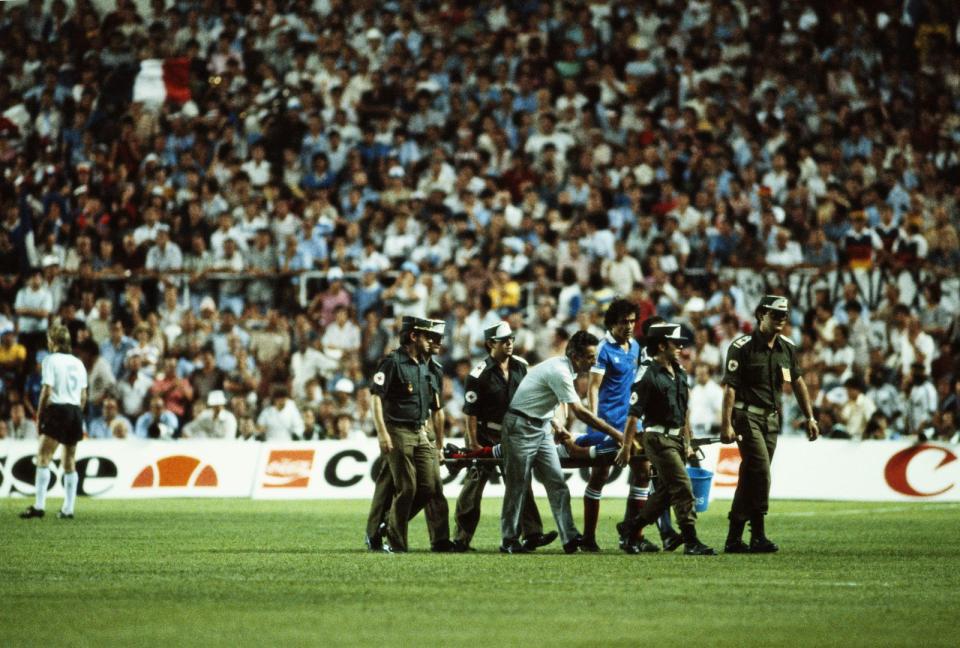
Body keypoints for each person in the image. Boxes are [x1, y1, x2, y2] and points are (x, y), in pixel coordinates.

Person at [499, 330, 624, 554]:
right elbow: (580, 412)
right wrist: (617, 435)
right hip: (520, 427)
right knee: (517, 486)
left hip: (541, 427)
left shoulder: (566, 369)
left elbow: (545, 399)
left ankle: (569, 538)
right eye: (590, 356)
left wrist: (556, 424)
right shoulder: (560, 372)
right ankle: (508, 539)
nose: (594, 361)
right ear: (575, 357)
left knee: (557, 482)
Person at [720, 295, 819, 553]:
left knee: (751, 475)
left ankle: (736, 538)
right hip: (746, 416)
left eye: (783, 316)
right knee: (761, 470)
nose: (780, 320)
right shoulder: (741, 347)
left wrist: (810, 417)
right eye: (775, 315)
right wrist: (726, 424)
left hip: (772, 419)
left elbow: (797, 382)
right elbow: (729, 388)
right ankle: (758, 531)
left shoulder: (787, 347)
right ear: (761, 314)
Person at [452, 321, 557, 552]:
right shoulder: (478, 374)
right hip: (487, 434)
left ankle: (532, 534)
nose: (509, 344)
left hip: (516, 434)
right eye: (504, 341)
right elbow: (470, 412)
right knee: (474, 486)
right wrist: (473, 443)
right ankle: (461, 539)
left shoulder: (521, 366)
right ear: (491, 343)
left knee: (520, 483)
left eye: (511, 339)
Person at [616, 323, 716, 555]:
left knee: (664, 494)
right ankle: (691, 540)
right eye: (676, 343)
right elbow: (633, 414)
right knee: (682, 486)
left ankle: (630, 527)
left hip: (676, 439)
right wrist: (627, 446)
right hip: (658, 439)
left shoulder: (679, 372)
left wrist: (688, 440)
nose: (681, 347)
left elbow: (685, 409)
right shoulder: (648, 375)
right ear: (661, 346)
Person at [369, 316, 441, 552]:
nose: (430, 341)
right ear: (413, 336)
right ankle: (396, 543)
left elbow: (431, 404)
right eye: (426, 336)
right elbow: (376, 397)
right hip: (397, 429)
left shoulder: (423, 365)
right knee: (407, 487)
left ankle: (387, 526)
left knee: (428, 487)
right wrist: (382, 433)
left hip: (420, 431)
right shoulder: (392, 362)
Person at [577, 298, 641, 552]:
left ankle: (633, 536)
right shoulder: (603, 349)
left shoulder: (635, 346)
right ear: (612, 323)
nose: (628, 326)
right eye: (624, 322)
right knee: (600, 476)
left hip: (631, 421)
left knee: (643, 471)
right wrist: (595, 420)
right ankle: (588, 538)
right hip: (608, 420)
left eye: (632, 321)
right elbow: (593, 387)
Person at [20, 324, 87, 520]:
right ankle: (68, 509)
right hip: (75, 411)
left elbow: (47, 390)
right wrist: (76, 414)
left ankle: (39, 506)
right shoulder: (79, 363)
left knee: (43, 457)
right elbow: (83, 396)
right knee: (69, 461)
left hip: (58, 410)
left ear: (54, 342)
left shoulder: (50, 360)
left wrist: (40, 414)